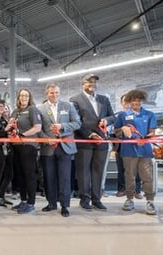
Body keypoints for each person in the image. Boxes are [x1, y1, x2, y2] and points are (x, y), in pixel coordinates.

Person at [69, 74, 114, 211]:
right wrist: (89, 134)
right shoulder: (74, 100)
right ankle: (85, 199)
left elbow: (113, 116)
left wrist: (107, 120)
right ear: (83, 84)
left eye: (94, 82)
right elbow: (76, 121)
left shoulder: (104, 99)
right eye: (89, 82)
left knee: (98, 171)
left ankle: (97, 199)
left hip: (101, 141)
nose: (92, 84)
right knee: (83, 172)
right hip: (85, 141)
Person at [38, 83, 81, 217]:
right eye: (52, 93)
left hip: (65, 147)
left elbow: (77, 123)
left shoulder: (68, 106)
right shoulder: (40, 109)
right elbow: (38, 128)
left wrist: (62, 126)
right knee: (49, 177)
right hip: (48, 148)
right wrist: (46, 139)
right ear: (47, 93)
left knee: (65, 178)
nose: (54, 95)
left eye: (57, 92)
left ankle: (65, 205)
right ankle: (51, 203)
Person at [114, 89, 157, 215]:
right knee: (129, 176)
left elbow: (152, 132)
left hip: (145, 151)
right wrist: (122, 128)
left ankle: (150, 201)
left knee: (147, 177)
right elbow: (116, 132)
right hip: (128, 151)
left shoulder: (149, 114)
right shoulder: (122, 115)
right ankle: (129, 199)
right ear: (129, 101)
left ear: (142, 100)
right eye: (133, 100)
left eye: (138, 100)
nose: (136, 103)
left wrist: (145, 139)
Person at [7, 88, 42, 214]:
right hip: (16, 147)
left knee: (29, 175)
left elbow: (37, 127)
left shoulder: (32, 109)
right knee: (20, 175)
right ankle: (23, 200)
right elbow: (10, 127)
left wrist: (23, 135)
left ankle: (31, 203)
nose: (23, 98)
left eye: (26, 95)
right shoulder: (15, 111)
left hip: (28, 146)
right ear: (18, 98)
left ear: (29, 97)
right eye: (21, 95)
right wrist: (9, 128)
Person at [114, 94, 142, 198]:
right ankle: (121, 189)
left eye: (129, 101)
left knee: (137, 169)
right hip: (122, 146)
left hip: (137, 146)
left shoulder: (139, 115)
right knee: (121, 169)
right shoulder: (120, 115)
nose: (127, 104)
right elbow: (115, 130)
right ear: (122, 104)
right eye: (125, 102)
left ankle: (137, 190)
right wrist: (122, 129)